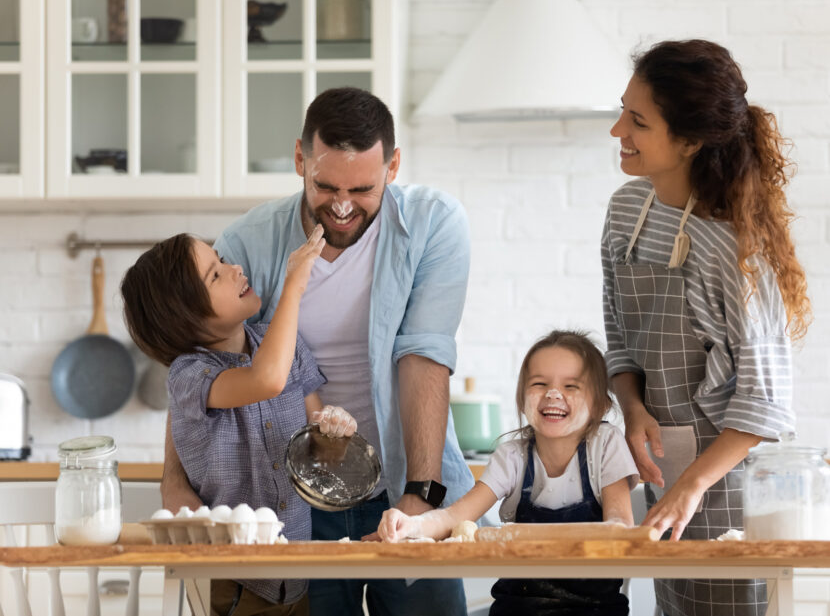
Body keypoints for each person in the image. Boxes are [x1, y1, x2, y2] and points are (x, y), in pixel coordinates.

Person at [159, 86, 474, 616]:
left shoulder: (433, 225)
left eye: (363, 188)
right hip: (295, 503)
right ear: (300, 159)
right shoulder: (248, 246)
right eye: (325, 185)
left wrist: (420, 496)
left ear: (393, 165)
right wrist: (173, 480)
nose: (343, 206)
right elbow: (202, 367)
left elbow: (423, 356)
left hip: (409, 484)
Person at [602, 39, 812, 616]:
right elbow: (618, 336)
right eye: (623, 110)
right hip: (663, 467)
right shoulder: (625, 212)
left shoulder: (731, 248)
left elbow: (764, 403)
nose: (618, 129)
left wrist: (691, 486)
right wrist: (633, 407)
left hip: (730, 490)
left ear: (690, 140)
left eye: (638, 121)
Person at [122, 225, 359, 615]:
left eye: (222, 260)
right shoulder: (189, 376)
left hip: (297, 578)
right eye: (215, 274)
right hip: (232, 586)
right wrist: (294, 286)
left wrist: (335, 429)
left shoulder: (286, 345)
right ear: (185, 317)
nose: (235, 270)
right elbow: (264, 380)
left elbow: (320, 451)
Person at [378, 330, 639, 616]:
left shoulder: (605, 445)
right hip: (518, 607)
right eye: (540, 383)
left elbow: (620, 528)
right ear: (521, 399)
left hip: (595, 609)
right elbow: (455, 517)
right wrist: (410, 525)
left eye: (571, 386)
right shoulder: (513, 456)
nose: (553, 394)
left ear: (600, 404)